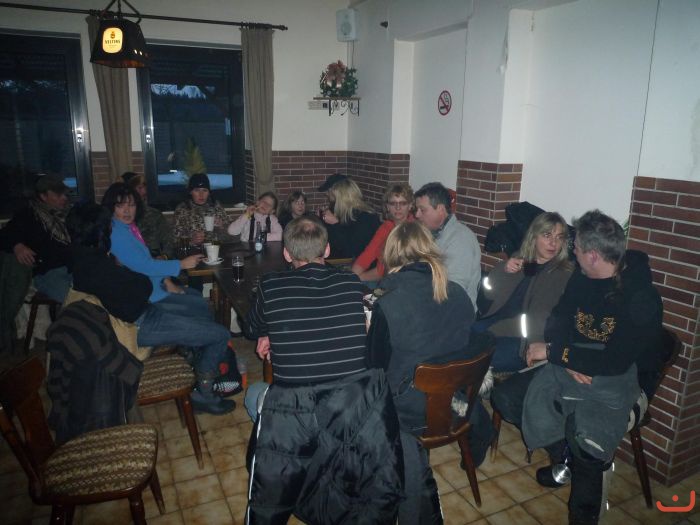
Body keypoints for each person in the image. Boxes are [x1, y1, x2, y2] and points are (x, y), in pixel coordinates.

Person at [490, 210, 664, 525]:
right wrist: (565, 356)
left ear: (593, 255)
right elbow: (558, 320)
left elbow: (615, 361)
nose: (573, 253)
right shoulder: (582, 278)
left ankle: (584, 502)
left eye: (577, 248)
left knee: (586, 440)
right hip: (574, 364)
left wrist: (558, 353)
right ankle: (565, 459)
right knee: (506, 398)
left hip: (620, 383)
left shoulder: (640, 295)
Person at [244, 216, 403, 523]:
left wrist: (267, 331)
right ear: (327, 250)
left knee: (254, 395)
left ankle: (306, 473)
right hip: (350, 411)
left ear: (287, 254)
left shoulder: (270, 285)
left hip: (296, 414)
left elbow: (250, 328)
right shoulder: (351, 283)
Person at [366, 221, 491, 524]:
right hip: (456, 401)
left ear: (391, 254)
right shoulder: (458, 293)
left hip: (409, 410)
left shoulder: (389, 302)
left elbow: (374, 369)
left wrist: (370, 329)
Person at [102, 182, 238, 415]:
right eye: (121, 205)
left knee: (199, 303)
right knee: (218, 331)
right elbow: (144, 265)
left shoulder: (127, 228)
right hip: (143, 312)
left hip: (149, 296)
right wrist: (180, 265)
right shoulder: (116, 234)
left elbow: (144, 263)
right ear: (111, 208)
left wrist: (167, 280)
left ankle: (195, 357)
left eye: (131, 205)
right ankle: (204, 393)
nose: (127, 210)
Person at [474, 212, 574, 372]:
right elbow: (489, 294)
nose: (553, 243)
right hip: (494, 322)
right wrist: (503, 269)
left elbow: (538, 318)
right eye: (547, 235)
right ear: (534, 237)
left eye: (559, 237)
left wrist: (492, 330)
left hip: (523, 339)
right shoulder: (520, 259)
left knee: (475, 360)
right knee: (455, 340)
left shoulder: (562, 274)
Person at [0, 174, 72, 303]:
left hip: (73, 266)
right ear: (43, 196)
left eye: (64, 194)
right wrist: (17, 246)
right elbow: (5, 234)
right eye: (58, 195)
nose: (64, 198)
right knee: (75, 300)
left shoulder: (70, 213)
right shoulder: (29, 215)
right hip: (48, 272)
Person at [414, 182, 481, 308]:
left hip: (453, 312)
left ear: (440, 209)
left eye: (422, 210)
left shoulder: (460, 239)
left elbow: (454, 290)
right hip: (430, 304)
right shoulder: (427, 233)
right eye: (416, 210)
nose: (417, 215)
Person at [351, 182, 414, 283]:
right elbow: (368, 254)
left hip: (402, 281)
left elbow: (391, 270)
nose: (398, 207)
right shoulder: (386, 227)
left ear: (410, 206)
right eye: (393, 203)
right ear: (387, 207)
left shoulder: (415, 229)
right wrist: (351, 277)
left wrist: (358, 278)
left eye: (403, 203)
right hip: (382, 278)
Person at [320, 176, 381, 258]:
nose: (326, 194)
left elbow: (352, 250)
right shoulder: (342, 213)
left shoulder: (366, 217)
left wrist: (335, 224)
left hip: (358, 263)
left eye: (328, 191)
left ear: (339, 195)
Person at [122, 172, 175, 259]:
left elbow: (169, 241)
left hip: (154, 258)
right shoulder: (122, 216)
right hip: (131, 259)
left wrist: (164, 256)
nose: (143, 191)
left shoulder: (154, 215)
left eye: (144, 188)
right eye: (139, 188)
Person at [173, 173, 230, 245]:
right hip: (194, 249)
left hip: (216, 247)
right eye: (197, 190)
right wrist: (191, 240)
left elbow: (231, 234)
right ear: (190, 192)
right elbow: (175, 239)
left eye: (205, 190)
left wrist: (222, 227)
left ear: (209, 192)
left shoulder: (216, 206)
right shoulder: (183, 209)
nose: (201, 194)